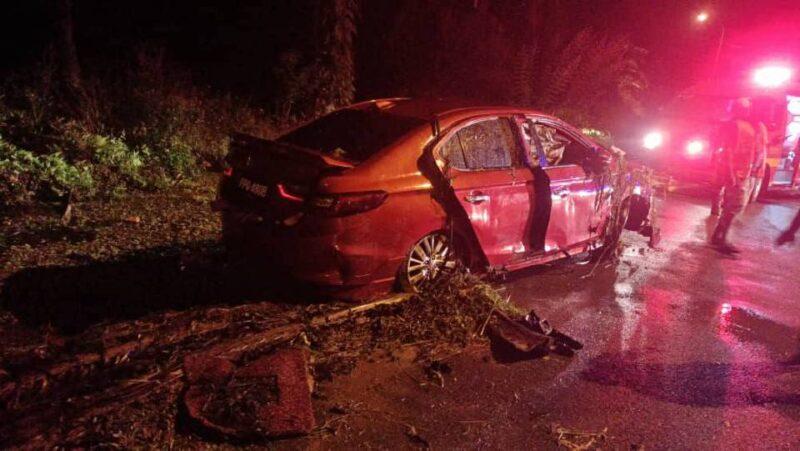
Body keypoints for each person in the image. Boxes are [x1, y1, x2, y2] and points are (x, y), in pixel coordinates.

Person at [710, 98, 763, 254]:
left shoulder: (746, 126)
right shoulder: (734, 126)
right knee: (734, 205)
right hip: (735, 173)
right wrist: (732, 173)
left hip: (742, 171)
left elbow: (751, 149)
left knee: (732, 205)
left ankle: (718, 236)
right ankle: (721, 239)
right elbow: (728, 150)